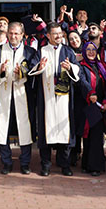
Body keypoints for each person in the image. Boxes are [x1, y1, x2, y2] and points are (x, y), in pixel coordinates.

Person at [29, 22, 85, 177]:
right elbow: (32, 68)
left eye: (60, 33)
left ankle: (64, 164)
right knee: (46, 130)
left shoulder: (68, 51)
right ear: (48, 35)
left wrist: (70, 67)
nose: (59, 36)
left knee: (63, 130)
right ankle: (45, 165)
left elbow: (77, 69)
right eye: (55, 34)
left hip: (64, 98)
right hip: (46, 97)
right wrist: (39, 67)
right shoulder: (41, 51)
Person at [0, 21, 38, 175]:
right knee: (2, 127)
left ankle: (25, 163)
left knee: (25, 128)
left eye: (17, 33)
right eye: (11, 33)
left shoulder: (30, 52)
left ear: (22, 35)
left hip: (23, 95)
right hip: (4, 95)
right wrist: (0, 68)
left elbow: (33, 69)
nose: (13, 36)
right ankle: (6, 162)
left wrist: (22, 72)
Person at [78, 41, 106, 175]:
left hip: (100, 105)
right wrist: (90, 93)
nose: (91, 52)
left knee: (97, 136)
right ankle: (88, 164)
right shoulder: (81, 66)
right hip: (87, 105)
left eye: (93, 49)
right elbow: (82, 81)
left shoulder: (101, 66)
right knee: (88, 136)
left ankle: (95, 166)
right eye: (88, 50)